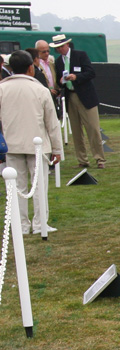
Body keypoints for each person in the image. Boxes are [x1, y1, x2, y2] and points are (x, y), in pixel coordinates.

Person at [0, 50, 63, 235]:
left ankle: (21, 225)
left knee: (17, 187)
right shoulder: (41, 90)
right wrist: (57, 149)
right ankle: (39, 224)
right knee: (38, 187)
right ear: (30, 68)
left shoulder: (2, 89)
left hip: (12, 145)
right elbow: (52, 123)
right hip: (37, 146)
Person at [51, 34, 104, 169]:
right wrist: (61, 82)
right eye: (57, 48)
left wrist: (76, 77)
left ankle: (99, 159)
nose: (60, 50)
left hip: (86, 97)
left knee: (93, 129)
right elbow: (58, 80)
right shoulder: (58, 62)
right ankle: (82, 160)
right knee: (76, 130)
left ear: (67, 45)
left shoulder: (80, 55)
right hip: (71, 97)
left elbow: (91, 73)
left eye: (61, 46)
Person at [33, 40, 61, 118]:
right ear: (37, 52)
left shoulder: (52, 64)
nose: (47, 54)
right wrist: (48, 90)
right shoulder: (35, 66)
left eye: (48, 51)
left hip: (53, 97)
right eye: (44, 52)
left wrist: (57, 89)